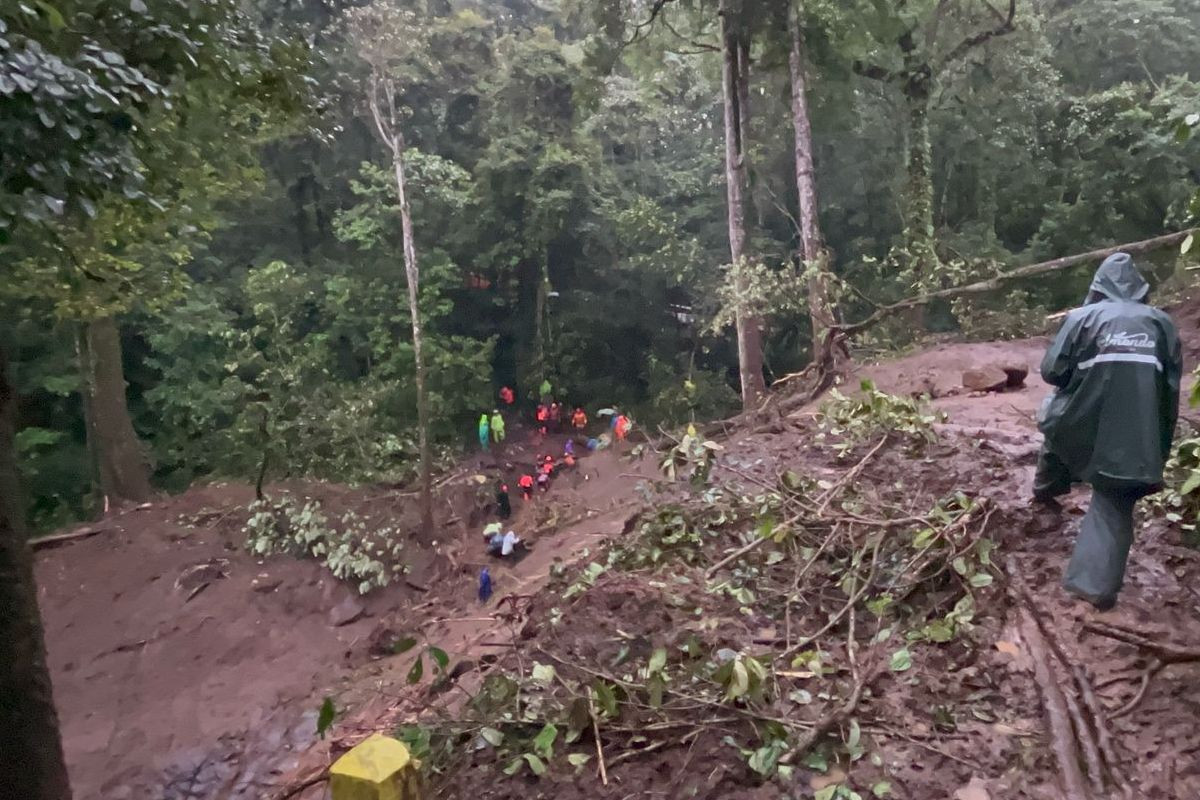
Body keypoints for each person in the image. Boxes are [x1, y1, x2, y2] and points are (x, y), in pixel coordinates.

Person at [1034, 253, 1182, 611]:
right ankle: (1050, 488)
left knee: (1055, 417)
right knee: (1117, 494)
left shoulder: (1082, 318)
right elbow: (1171, 390)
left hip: (1082, 423)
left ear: (1099, 287)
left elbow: (1052, 372)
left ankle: (1091, 586)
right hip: (1137, 435)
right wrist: (1158, 446)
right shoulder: (1162, 324)